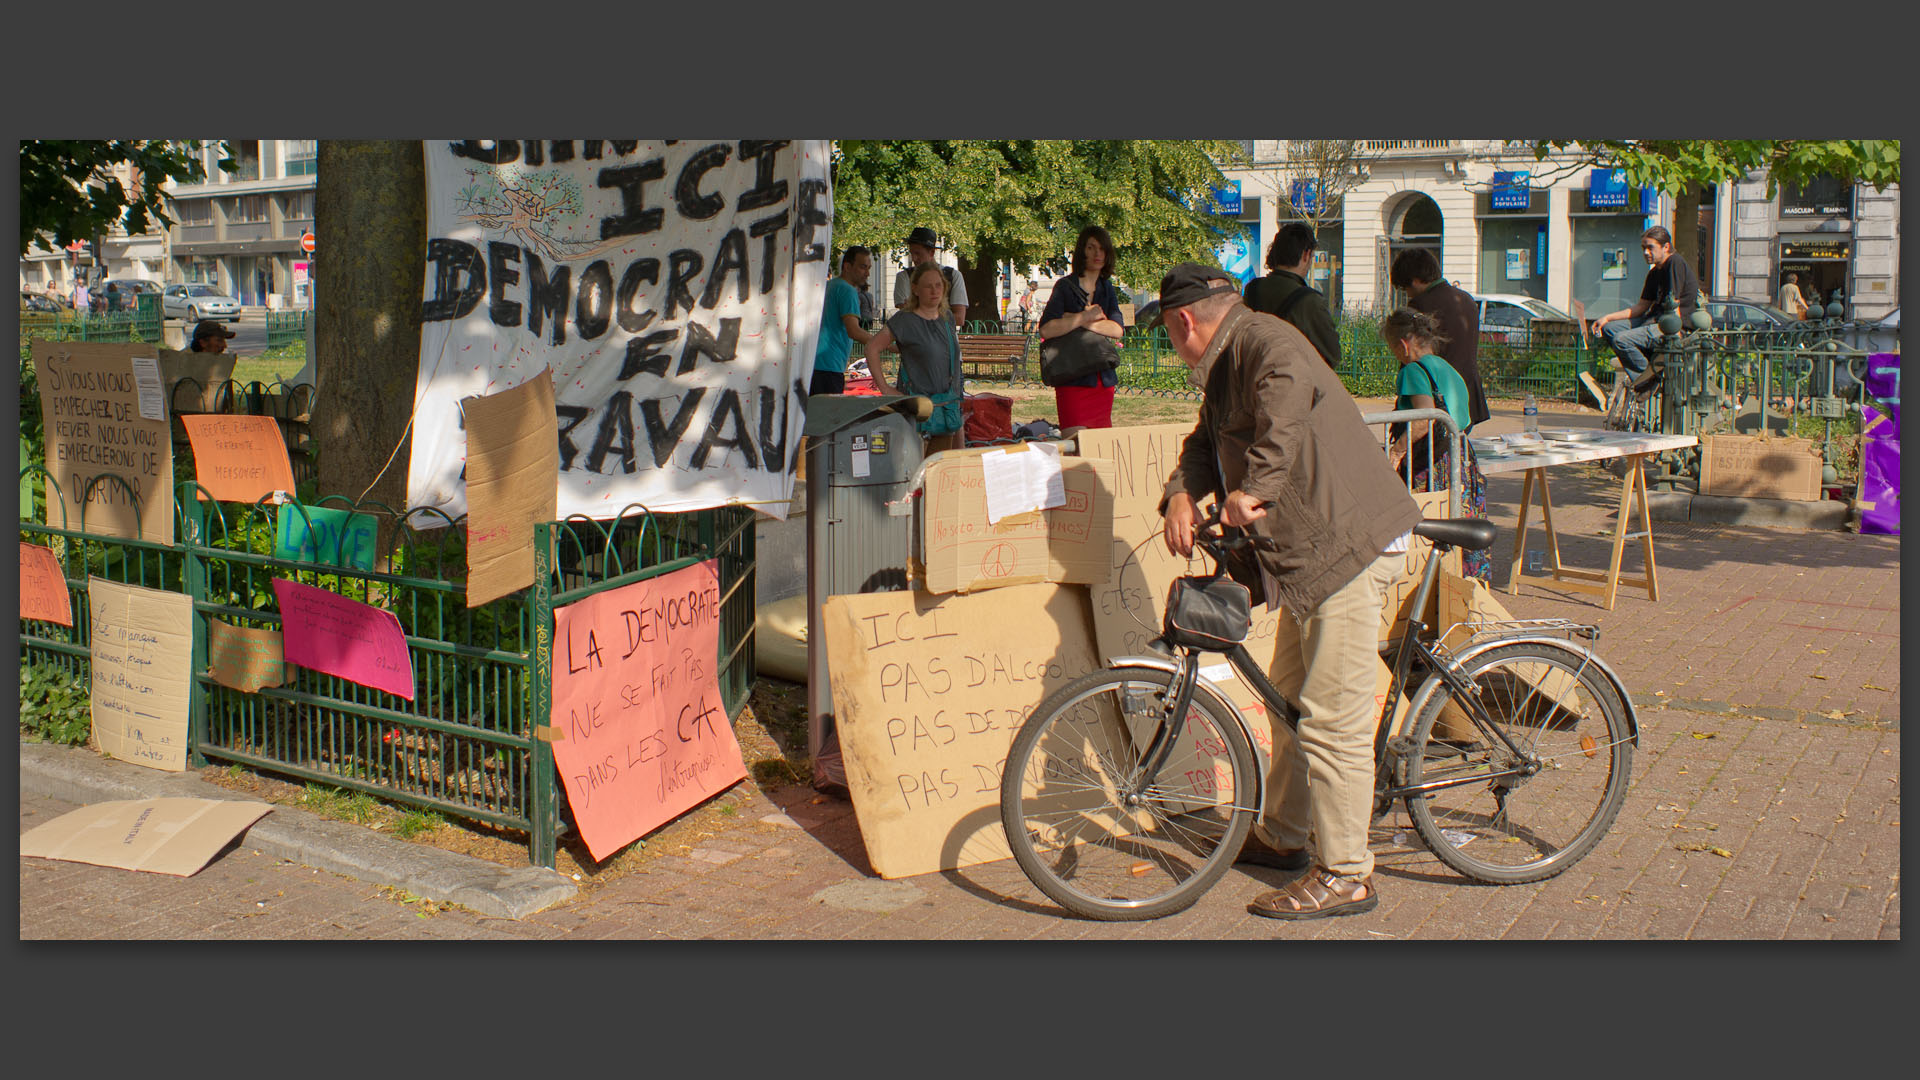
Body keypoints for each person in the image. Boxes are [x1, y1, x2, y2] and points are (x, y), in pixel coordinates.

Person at [1151, 263, 1422, 921]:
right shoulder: (1226, 363)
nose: (1168, 342)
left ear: (1182, 322)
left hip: (1346, 547)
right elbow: (1203, 441)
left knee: (1332, 719)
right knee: (1289, 703)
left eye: (1165, 332)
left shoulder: (1267, 344)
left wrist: (1256, 489)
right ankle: (1284, 836)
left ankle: (1347, 874)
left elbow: (1285, 409)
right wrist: (1182, 493)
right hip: (1310, 558)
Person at [1381, 308, 1491, 581]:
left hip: (1432, 463)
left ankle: (1426, 589)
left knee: (1428, 528)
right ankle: (1465, 585)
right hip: (1461, 457)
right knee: (1458, 523)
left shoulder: (1412, 370)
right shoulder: (1449, 369)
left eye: (1393, 348)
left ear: (1404, 344)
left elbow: (1423, 418)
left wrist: (1396, 451)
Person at [866, 262, 966, 454]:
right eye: (928, 286)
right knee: (914, 473)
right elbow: (872, 348)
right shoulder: (904, 320)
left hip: (946, 408)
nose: (934, 290)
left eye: (938, 285)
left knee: (939, 471)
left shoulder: (947, 317)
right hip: (916, 412)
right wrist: (884, 387)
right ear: (915, 289)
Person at [1588, 225, 1700, 394]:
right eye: (1643, 248)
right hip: (1654, 321)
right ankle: (1647, 371)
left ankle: (1648, 381)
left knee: (1621, 340)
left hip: (1672, 327)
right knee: (1610, 329)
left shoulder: (1675, 263)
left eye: (1650, 247)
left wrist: (1675, 338)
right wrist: (1607, 318)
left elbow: (1674, 304)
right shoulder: (1654, 273)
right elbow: (1641, 307)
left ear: (1666, 247)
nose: (1646, 252)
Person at [1390, 247, 1491, 431]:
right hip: (1466, 398)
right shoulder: (1466, 299)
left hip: (1436, 397)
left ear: (1415, 280)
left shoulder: (1421, 304)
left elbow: (1413, 353)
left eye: (1406, 289)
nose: (1408, 294)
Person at [1036, 225, 1124, 432]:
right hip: (1072, 376)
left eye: (1102, 249)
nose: (1097, 254)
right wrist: (1087, 315)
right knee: (1074, 442)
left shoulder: (1107, 287)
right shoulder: (1065, 287)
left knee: (1100, 446)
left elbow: (1117, 330)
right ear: (1082, 251)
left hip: (1102, 380)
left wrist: (1077, 320)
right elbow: (1047, 330)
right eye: (1091, 247)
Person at [1242, 222, 1341, 368]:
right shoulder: (1310, 301)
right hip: (1292, 385)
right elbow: (1333, 355)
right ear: (1306, 254)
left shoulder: (1253, 290)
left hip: (1252, 382)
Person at [811, 247, 875, 396]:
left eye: (869, 268)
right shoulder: (848, 291)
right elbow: (854, 330)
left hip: (813, 364)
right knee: (829, 416)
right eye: (863, 267)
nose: (867, 273)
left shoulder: (829, 286)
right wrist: (885, 344)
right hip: (830, 367)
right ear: (847, 266)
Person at [891, 226, 967, 325]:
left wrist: (920, 314)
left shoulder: (954, 276)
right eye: (911, 253)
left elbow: (960, 318)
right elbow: (906, 316)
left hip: (944, 338)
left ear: (932, 253)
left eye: (918, 253)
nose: (914, 258)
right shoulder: (904, 277)